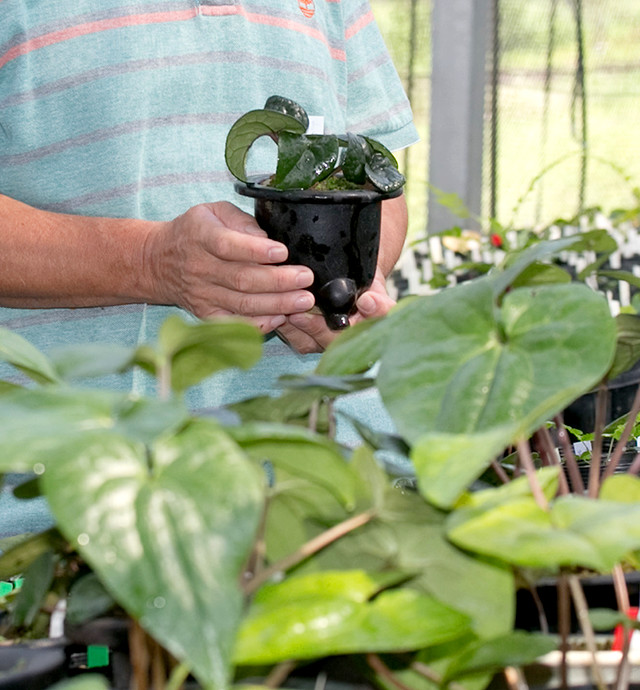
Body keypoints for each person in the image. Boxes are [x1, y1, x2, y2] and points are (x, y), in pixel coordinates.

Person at [0, 0, 419, 535]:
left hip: (327, 493)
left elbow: (384, 183)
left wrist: (355, 287)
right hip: (74, 507)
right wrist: (150, 262)